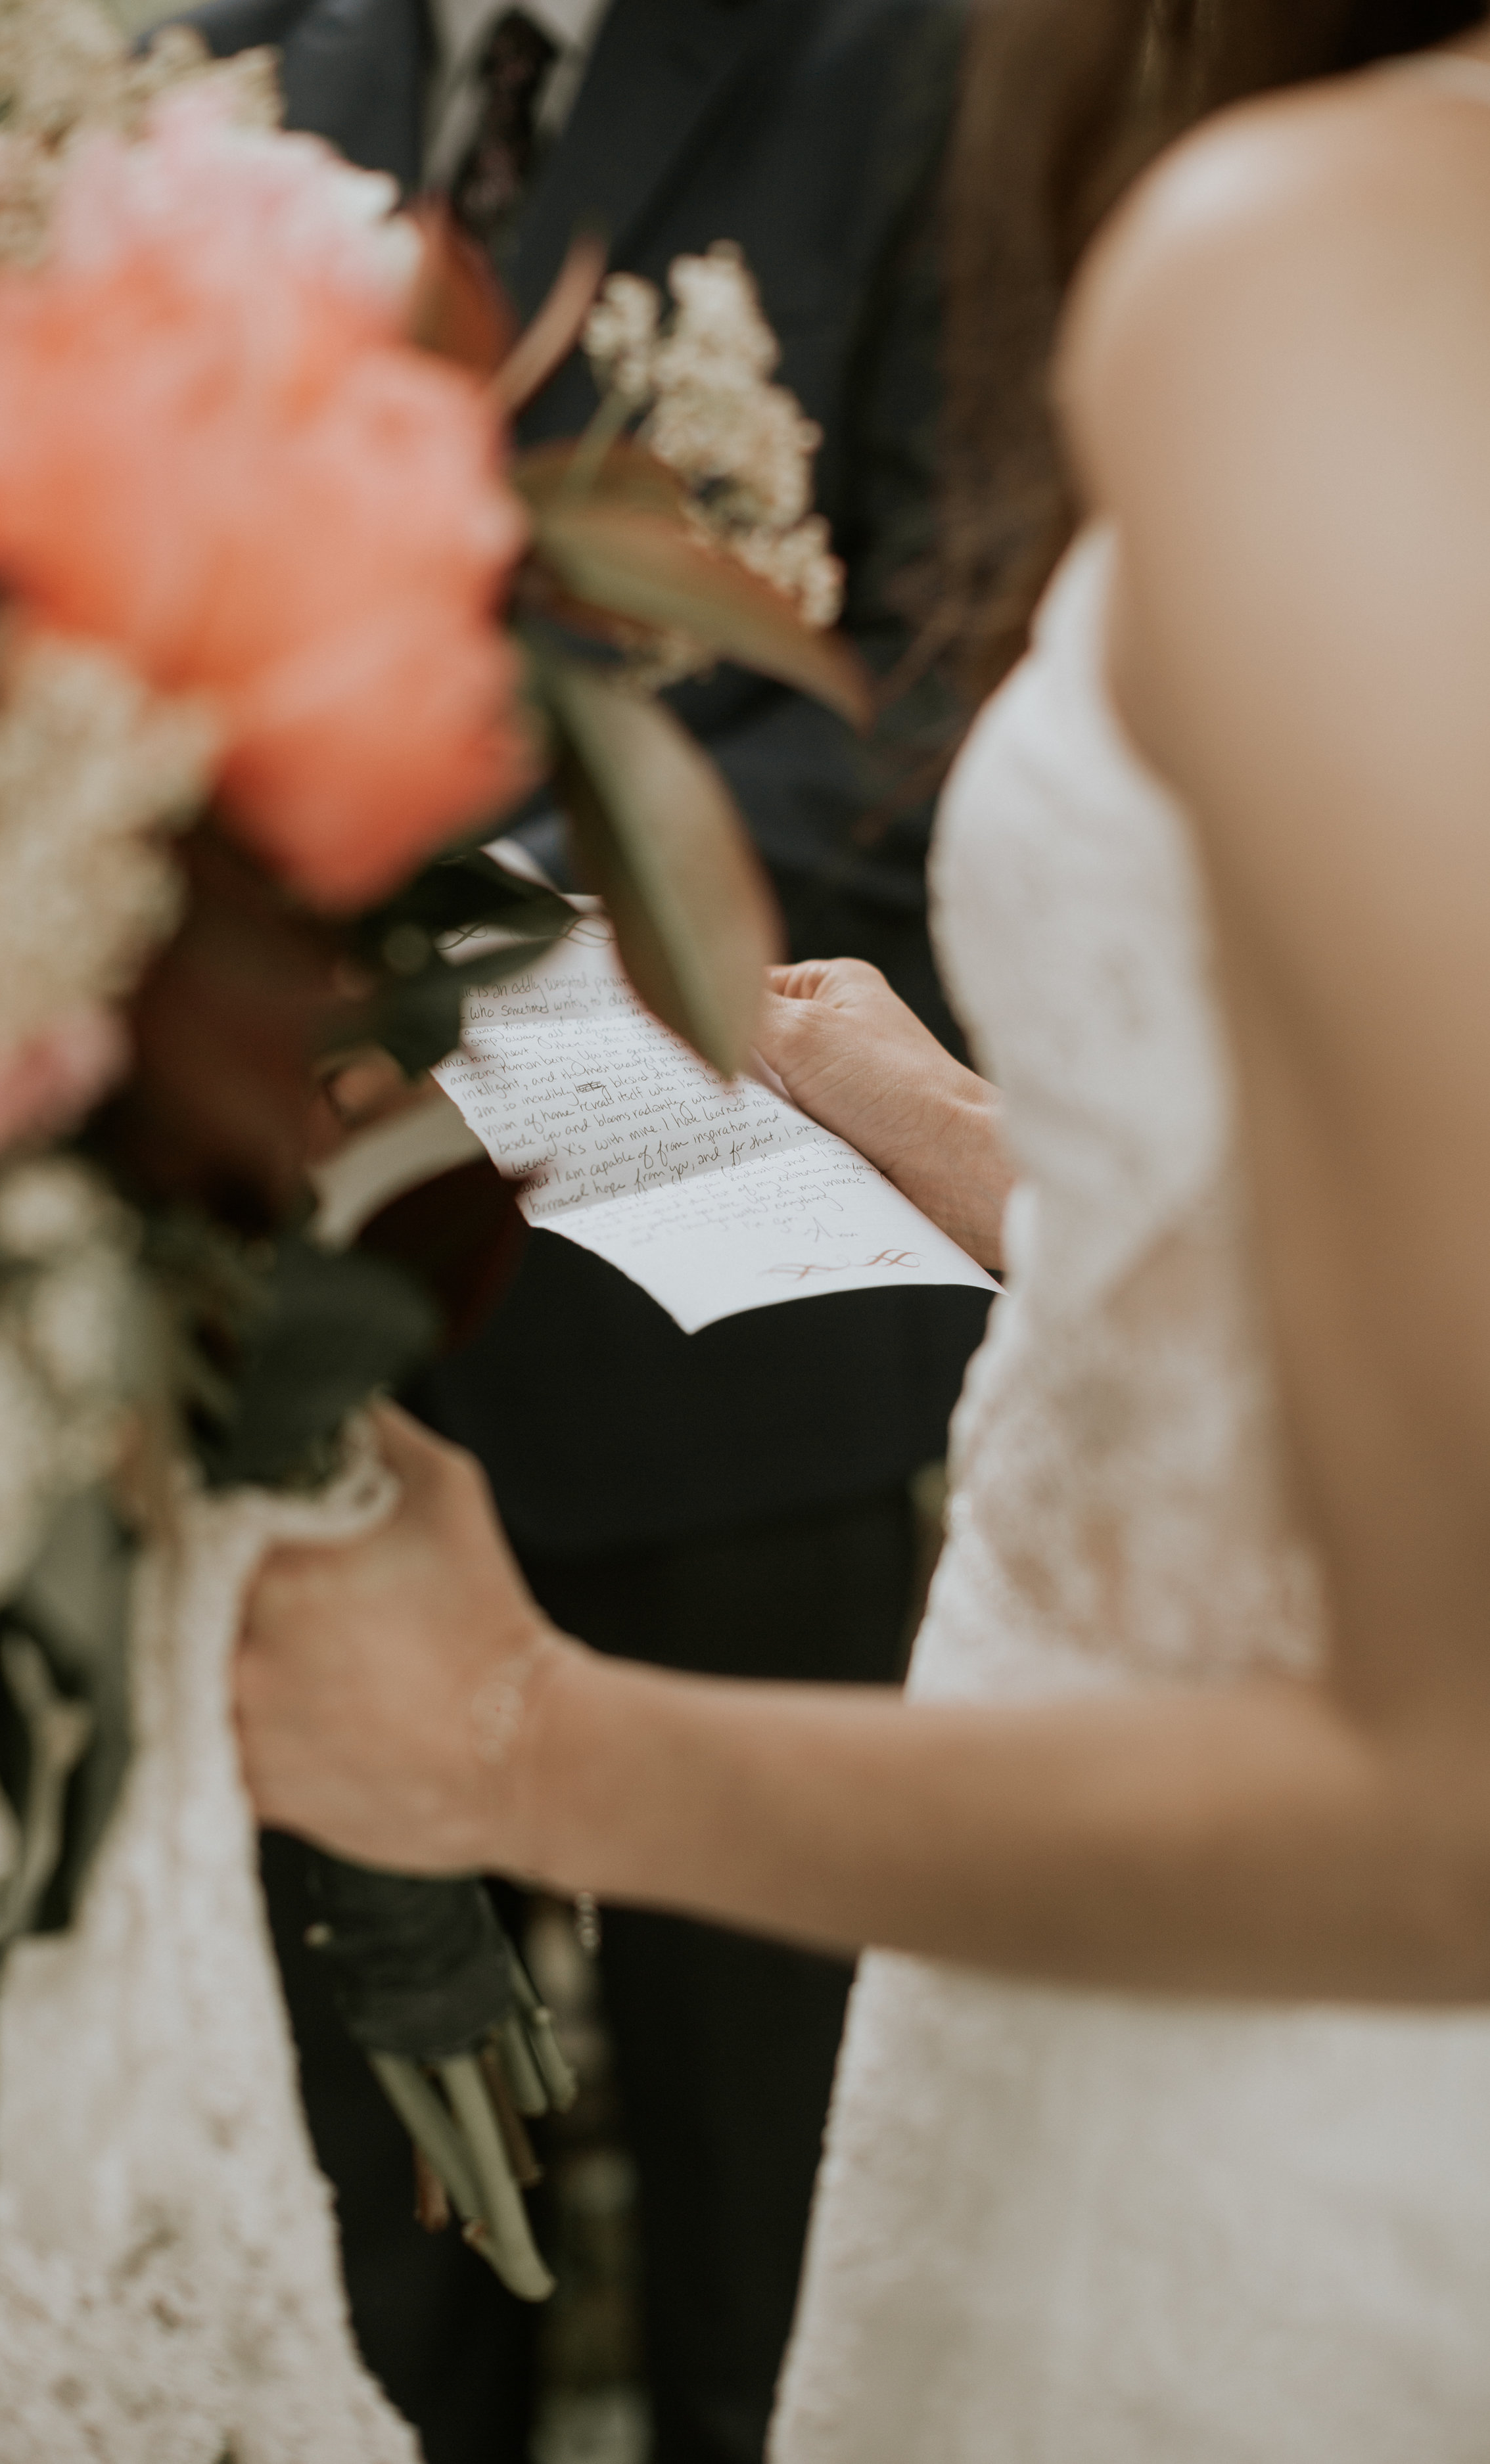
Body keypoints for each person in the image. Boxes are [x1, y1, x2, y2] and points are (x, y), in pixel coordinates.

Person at [237, 1, 1490, 2455]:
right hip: (1070, 1754)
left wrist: (521, 1745)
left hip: (1226, 2010)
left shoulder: (1301, 248)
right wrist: (990, 1146)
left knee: (740, 2196)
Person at [156, 3, 985, 2459]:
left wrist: (486, 953)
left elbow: (929, 661)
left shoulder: (897, 72)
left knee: (782, 2209)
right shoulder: (213, 70)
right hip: (312, 1355)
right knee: (379, 2235)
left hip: (736, 1336)